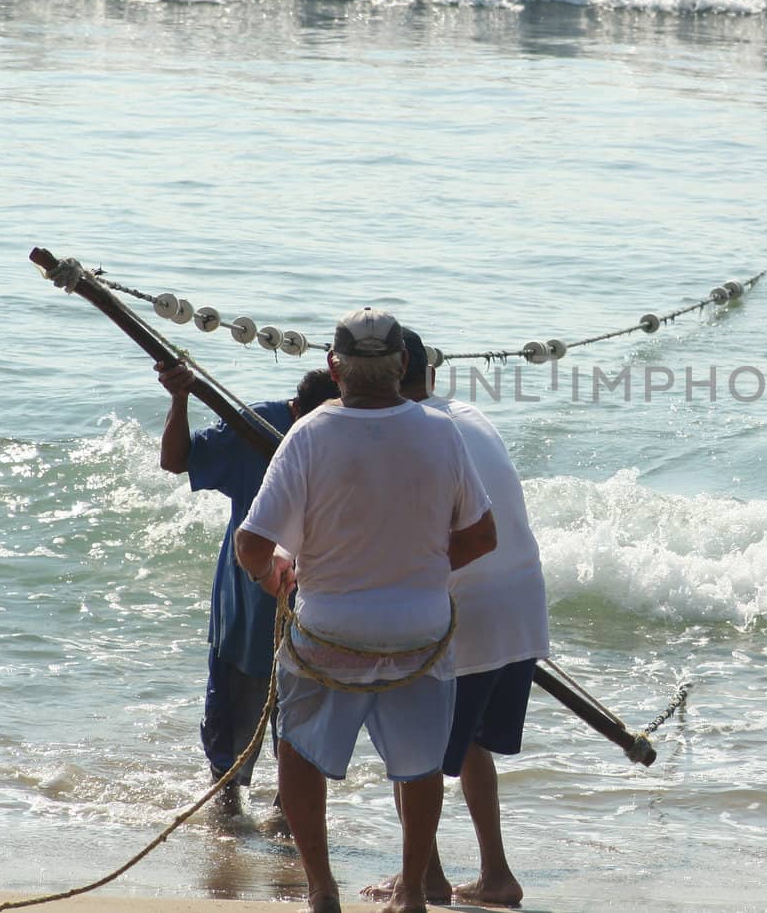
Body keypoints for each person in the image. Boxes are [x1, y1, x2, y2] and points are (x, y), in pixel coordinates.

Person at [235, 308, 497, 913]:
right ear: (404, 364)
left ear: (334, 367)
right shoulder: (441, 431)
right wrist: (421, 570)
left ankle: (321, 888)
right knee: (420, 762)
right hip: (420, 630)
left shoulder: (309, 434)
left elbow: (251, 544)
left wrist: (275, 575)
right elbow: (483, 536)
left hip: (331, 627)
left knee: (298, 752)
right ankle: (411, 891)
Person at [362, 328, 549, 908]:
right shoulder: (467, 412)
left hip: (468, 607)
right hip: (520, 604)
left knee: (407, 743)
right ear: (430, 375)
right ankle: (496, 875)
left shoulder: (411, 432)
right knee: (469, 746)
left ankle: (423, 880)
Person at [156, 360, 339, 815]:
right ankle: (228, 839)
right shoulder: (256, 426)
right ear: (299, 410)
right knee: (227, 762)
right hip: (247, 611)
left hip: (320, 617)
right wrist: (179, 399)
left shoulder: (355, 434)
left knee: (303, 747)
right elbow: (175, 460)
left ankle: (289, 834)